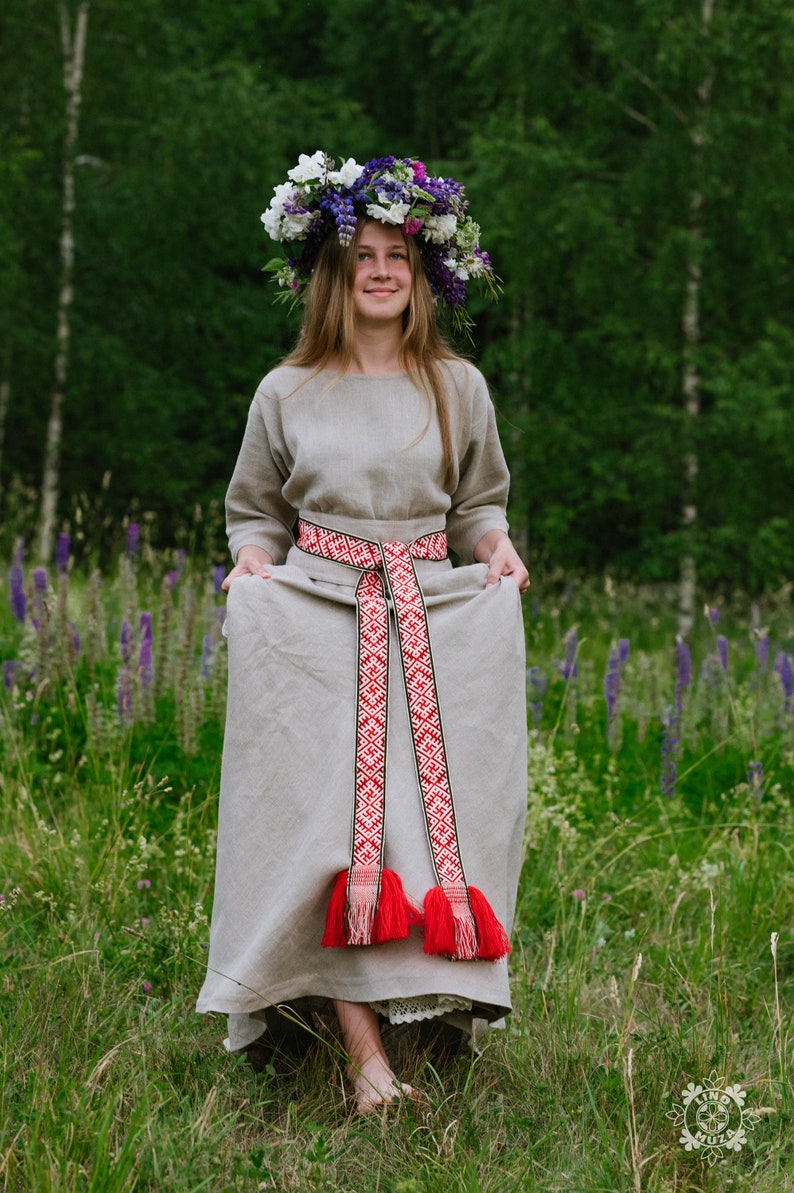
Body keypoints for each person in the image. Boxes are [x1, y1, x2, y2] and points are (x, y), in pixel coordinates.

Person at [196, 152, 529, 1114]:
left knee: (427, 827)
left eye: (398, 256)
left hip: (427, 615)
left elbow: (481, 504)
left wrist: (498, 552)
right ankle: (363, 1056)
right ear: (332, 277)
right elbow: (254, 511)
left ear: (423, 276)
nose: (380, 271)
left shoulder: (456, 385)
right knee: (326, 824)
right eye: (360, 256)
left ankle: (431, 1003)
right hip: (315, 618)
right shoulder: (286, 391)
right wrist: (253, 563)